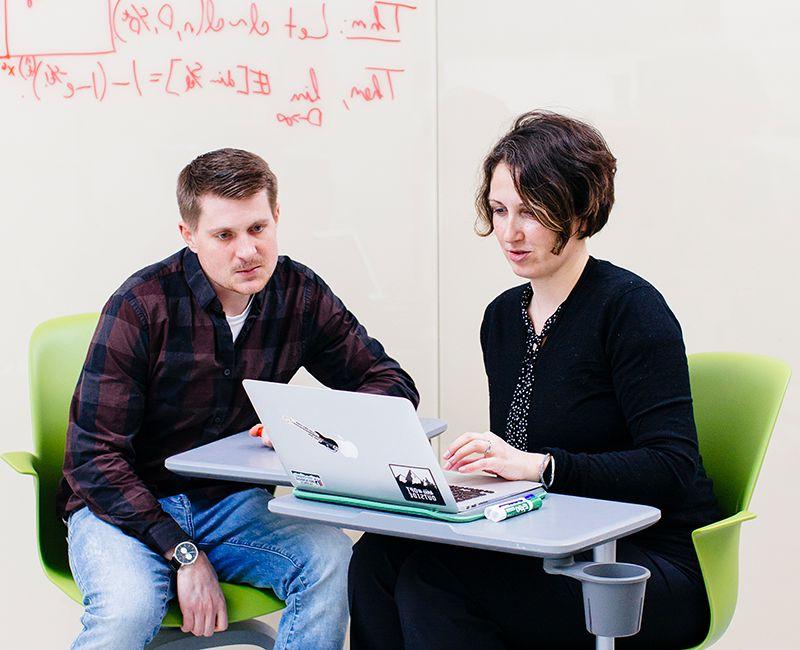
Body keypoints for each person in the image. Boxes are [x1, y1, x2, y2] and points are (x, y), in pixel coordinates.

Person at [347, 111, 721, 649]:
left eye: (532, 212)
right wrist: (475, 478)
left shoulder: (631, 310)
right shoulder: (502, 317)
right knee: (377, 559)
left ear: (580, 210)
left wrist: (539, 467)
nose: (510, 232)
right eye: (500, 211)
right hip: (550, 539)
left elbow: (672, 466)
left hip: (640, 566)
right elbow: (523, 461)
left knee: (436, 580)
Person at [58, 148, 419, 649]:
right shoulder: (141, 305)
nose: (247, 251)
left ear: (277, 218)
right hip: (124, 508)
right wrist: (182, 552)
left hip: (230, 506)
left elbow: (390, 384)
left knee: (332, 560)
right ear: (189, 236)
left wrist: (307, 428)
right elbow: (92, 459)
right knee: (128, 608)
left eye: (257, 229)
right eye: (224, 235)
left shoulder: (299, 294)